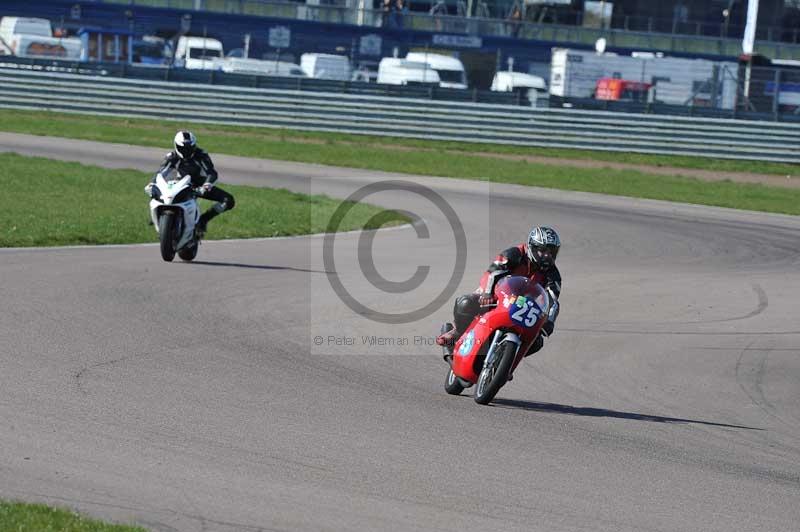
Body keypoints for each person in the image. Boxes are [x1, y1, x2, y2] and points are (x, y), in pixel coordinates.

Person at [437, 225, 562, 361]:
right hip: (496, 295)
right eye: (542, 251)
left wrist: (549, 322)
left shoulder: (553, 275)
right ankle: (457, 333)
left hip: (523, 307)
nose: (547, 256)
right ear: (532, 247)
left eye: (551, 252)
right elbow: (492, 272)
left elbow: (553, 300)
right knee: (465, 302)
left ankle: (505, 360)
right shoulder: (516, 253)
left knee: (537, 341)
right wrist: (487, 293)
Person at [145, 131, 235, 235]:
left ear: (194, 146)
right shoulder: (172, 156)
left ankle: (203, 220)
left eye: (189, 148)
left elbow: (211, 173)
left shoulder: (201, 155)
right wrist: (152, 184)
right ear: (176, 146)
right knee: (156, 193)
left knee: (228, 200)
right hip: (180, 184)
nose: (186, 151)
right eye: (183, 148)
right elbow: (161, 172)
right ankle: (158, 216)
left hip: (199, 185)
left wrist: (206, 185)